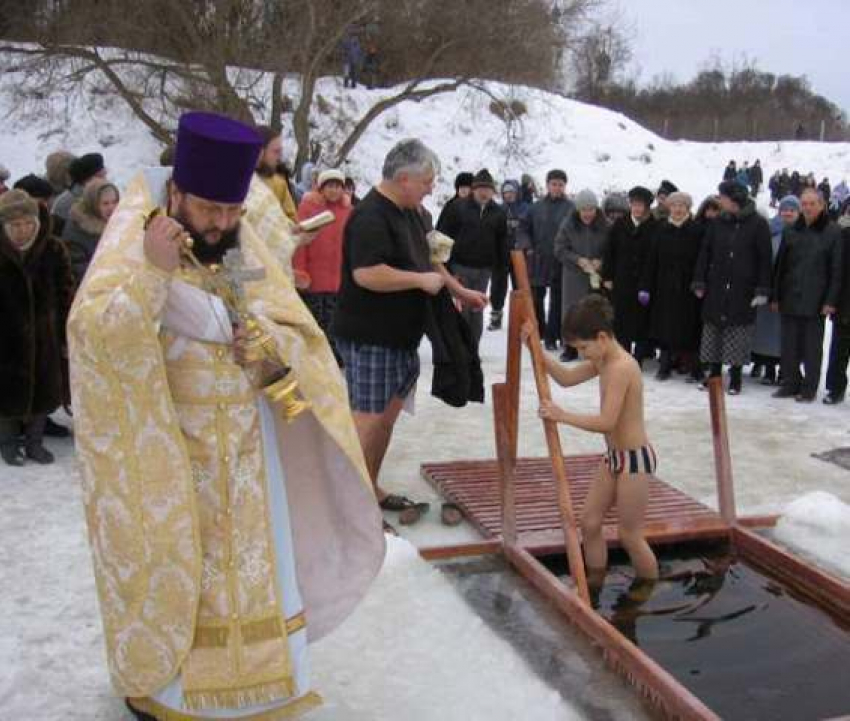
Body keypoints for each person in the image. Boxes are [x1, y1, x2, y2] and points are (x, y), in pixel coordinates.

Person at [69, 111, 384, 720]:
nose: (222, 223)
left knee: (253, 574)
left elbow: (290, 330)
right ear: (178, 193)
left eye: (233, 211)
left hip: (248, 453)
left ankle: (263, 686)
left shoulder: (241, 241)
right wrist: (154, 276)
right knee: (188, 573)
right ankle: (172, 692)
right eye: (210, 210)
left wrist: (265, 352)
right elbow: (94, 338)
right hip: (171, 452)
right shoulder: (136, 239)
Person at [333, 139, 487, 525]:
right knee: (366, 421)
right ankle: (346, 508)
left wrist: (458, 289)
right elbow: (366, 274)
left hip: (403, 336)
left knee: (385, 419)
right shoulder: (370, 216)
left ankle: (369, 486)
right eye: (426, 182)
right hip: (370, 335)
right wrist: (418, 281)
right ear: (403, 179)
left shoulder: (416, 213)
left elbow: (432, 261)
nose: (431, 189)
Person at [528, 294, 659, 595]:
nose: (584, 355)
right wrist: (534, 348)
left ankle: (648, 591)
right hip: (614, 457)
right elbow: (566, 378)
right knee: (589, 523)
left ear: (602, 337)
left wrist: (562, 416)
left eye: (584, 348)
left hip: (635, 460)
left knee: (630, 536)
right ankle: (595, 581)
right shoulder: (603, 358)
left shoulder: (622, 367)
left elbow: (607, 422)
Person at [0, 190, 74, 466]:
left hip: (46, 339)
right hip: (5, 341)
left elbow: (66, 293)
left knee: (43, 393)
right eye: (15, 225)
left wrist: (67, 334)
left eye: (28, 223)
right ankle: (8, 444)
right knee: (6, 396)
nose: (23, 230)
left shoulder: (53, 250)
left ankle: (34, 443)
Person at [692, 181, 772, 395]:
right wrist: (699, 279)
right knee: (713, 331)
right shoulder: (717, 223)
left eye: (723, 197)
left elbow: (765, 259)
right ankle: (714, 375)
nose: (720, 201)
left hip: (743, 288)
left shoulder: (758, 224)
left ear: (734, 199)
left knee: (738, 332)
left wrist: (762, 289)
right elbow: (705, 253)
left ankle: (735, 378)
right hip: (717, 285)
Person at [772, 188, 842, 402]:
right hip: (790, 295)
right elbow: (780, 267)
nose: (808, 208)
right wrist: (775, 296)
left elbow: (837, 270)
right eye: (805, 204)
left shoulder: (832, 232)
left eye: (812, 204)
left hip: (816, 299)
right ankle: (791, 383)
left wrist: (831, 300)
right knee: (789, 344)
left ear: (822, 205)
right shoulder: (792, 230)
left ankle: (809, 387)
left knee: (812, 347)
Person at [639, 192, 704, 382]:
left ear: (688, 208)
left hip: (689, 287)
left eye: (682, 206)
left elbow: (702, 259)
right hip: (664, 286)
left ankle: (694, 367)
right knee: (665, 327)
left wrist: (700, 282)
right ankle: (665, 366)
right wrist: (645, 286)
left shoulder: (696, 230)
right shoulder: (661, 229)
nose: (678, 209)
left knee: (691, 328)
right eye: (674, 205)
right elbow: (651, 260)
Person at [437, 168, 506, 347]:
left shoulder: (498, 213)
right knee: (462, 309)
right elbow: (444, 236)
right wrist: (446, 268)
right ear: (474, 189)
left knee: (477, 309)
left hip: (484, 269)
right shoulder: (458, 207)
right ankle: (460, 347)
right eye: (480, 188)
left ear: (493, 191)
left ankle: (472, 347)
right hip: (460, 266)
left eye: (488, 189)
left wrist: (500, 269)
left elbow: (502, 243)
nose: (484, 192)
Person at [292, 169, 351, 358]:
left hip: (338, 277)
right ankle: (314, 356)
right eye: (330, 186)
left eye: (337, 187)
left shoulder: (348, 211)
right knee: (315, 318)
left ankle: (333, 355)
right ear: (321, 188)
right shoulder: (309, 208)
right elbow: (299, 243)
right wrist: (299, 270)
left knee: (336, 319)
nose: (334, 191)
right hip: (314, 277)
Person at [601, 186, 657, 365]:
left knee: (641, 321)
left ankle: (638, 357)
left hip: (644, 282)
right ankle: (623, 355)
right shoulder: (620, 225)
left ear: (647, 207)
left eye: (641, 205)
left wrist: (649, 283)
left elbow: (655, 257)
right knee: (622, 320)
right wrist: (607, 276)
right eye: (634, 204)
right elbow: (609, 252)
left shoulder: (655, 227)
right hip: (622, 280)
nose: (637, 208)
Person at [521, 169, 575, 350]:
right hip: (538, 259)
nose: (557, 188)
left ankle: (554, 336)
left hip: (560, 260)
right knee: (536, 298)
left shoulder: (571, 208)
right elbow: (523, 229)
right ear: (547, 185)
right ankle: (539, 331)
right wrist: (527, 246)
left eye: (560, 184)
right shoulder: (535, 208)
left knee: (557, 300)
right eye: (554, 184)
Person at [553, 188, 609, 362]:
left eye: (591, 209)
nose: (587, 213)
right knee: (572, 311)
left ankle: (594, 349)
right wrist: (578, 260)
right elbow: (559, 249)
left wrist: (601, 261)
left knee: (594, 312)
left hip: (596, 277)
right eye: (584, 210)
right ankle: (570, 347)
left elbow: (612, 249)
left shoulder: (605, 225)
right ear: (578, 210)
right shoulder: (568, 224)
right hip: (574, 276)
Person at [752, 196, 801, 386]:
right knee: (766, 333)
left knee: (786, 335)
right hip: (769, 288)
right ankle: (769, 369)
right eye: (784, 209)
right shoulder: (770, 231)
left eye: (792, 210)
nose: (787, 213)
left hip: (790, 292)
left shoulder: (801, 232)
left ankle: (784, 371)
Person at [488, 179, 530, 331]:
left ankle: (522, 318)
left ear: (517, 193)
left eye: (511, 192)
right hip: (501, 254)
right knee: (498, 286)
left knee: (519, 286)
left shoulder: (525, 208)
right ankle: (496, 316)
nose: (509, 195)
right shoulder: (499, 209)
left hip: (520, 253)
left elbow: (529, 229)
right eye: (506, 193)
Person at [61, 178, 120, 285]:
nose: (112, 208)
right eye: (105, 204)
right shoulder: (77, 230)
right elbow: (79, 270)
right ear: (93, 204)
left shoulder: (117, 222)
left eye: (115, 202)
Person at [824, 204, 850, 404]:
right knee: (839, 350)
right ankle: (835, 388)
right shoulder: (844, 236)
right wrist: (832, 300)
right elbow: (836, 271)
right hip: (845, 303)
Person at [51, 152, 106, 235]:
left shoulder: (102, 191)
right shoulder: (64, 204)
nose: (105, 179)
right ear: (86, 181)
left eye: (104, 174)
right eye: (100, 176)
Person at [255, 125, 299, 222]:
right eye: (276, 152)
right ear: (260, 152)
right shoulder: (238, 180)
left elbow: (291, 219)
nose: (279, 157)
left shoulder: (280, 184)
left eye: (280, 152)